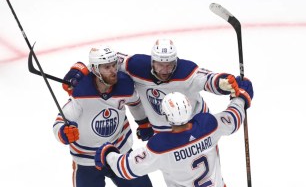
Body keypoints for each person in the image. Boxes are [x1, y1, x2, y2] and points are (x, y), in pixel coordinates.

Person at [94, 76, 253, 187]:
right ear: (189, 108)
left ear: (166, 116)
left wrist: (108, 154)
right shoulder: (208, 125)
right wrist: (241, 98)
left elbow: (127, 168)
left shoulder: (161, 146)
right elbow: (233, 118)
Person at [62, 39, 238, 140]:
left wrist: (222, 83)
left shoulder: (186, 72)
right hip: (162, 132)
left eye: (169, 65)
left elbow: (207, 78)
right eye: (160, 64)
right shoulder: (136, 66)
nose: (165, 70)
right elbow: (104, 61)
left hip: (195, 124)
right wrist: (79, 69)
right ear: (152, 62)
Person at [52, 46, 159, 187]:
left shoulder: (124, 84)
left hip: (120, 152)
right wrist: (63, 133)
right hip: (87, 160)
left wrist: (143, 123)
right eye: (107, 67)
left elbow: (135, 102)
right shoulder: (81, 91)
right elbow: (60, 121)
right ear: (95, 69)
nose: (113, 70)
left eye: (114, 65)